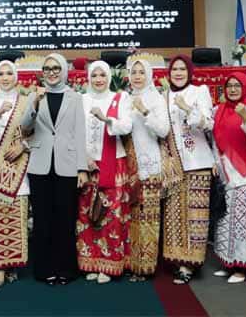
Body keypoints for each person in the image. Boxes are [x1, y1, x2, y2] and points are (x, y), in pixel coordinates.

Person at [20, 53, 87, 285]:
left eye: (56, 68)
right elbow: (24, 126)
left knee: (65, 220)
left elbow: (80, 134)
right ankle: (44, 270)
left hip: (67, 166)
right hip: (39, 166)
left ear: (64, 71)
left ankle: (65, 270)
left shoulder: (75, 98)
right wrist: (36, 102)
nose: (51, 72)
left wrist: (82, 169)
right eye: (47, 68)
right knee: (42, 220)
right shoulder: (35, 95)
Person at [76, 61, 133, 284]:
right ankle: (90, 261)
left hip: (113, 163)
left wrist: (106, 119)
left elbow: (127, 126)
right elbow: (74, 131)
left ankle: (109, 265)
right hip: (87, 164)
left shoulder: (120, 98)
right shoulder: (81, 99)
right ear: (88, 78)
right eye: (95, 75)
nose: (98, 79)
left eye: (102, 75)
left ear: (109, 77)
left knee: (112, 215)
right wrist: (84, 159)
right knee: (87, 213)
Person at [160, 55, 215, 284]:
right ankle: (176, 259)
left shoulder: (199, 91)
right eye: (175, 69)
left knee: (195, 216)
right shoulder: (163, 96)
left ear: (189, 71)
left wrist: (187, 109)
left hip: (197, 163)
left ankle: (190, 264)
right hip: (173, 165)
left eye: (183, 69)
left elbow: (209, 123)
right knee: (174, 215)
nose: (179, 73)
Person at [0, 60, 33, 289]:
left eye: (9, 73)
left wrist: (23, 146)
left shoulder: (27, 102)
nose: (5, 77)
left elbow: (36, 133)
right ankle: (0, 268)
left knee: (16, 216)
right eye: (0, 73)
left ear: (16, 76)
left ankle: (13, 264)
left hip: (19, 168)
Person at [211, 72, 246, 284]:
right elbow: (214, 139)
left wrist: (245, 118)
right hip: (225, 172)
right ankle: (229, 262)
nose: (233, 89)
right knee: (225, 220)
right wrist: (215, 163)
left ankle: (244, 268)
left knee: (244, 221)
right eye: (229, 85)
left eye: (237, 85)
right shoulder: (219, 110)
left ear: (245, 87)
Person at [124, 57, 168, 282]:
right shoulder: (125, 97)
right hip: (129, 167)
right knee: (132, 218)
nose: (137, 76)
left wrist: (144, 112)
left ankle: (147, 266)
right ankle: (132, 263)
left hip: (150, 166)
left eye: (141, 72)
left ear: (149, 75)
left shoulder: (155, 98)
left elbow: (163, 130)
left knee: (149, 218)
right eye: (133, 72)